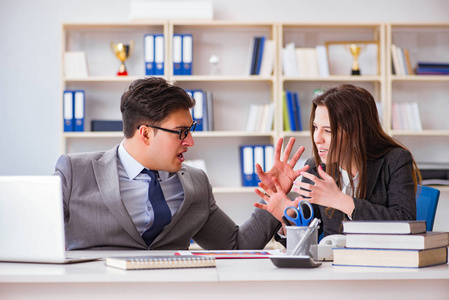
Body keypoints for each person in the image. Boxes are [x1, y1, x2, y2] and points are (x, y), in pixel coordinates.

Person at [54, 77, 281, 250]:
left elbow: (236, 247)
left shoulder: (197, 182)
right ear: (145, 134)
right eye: (181, 132)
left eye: (190, 131)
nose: (190, 141)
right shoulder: (74, 173)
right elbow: (35, 243)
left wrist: (273, 195)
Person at [254, 84, 421, 237]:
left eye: (328, 130)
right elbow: (308, 237)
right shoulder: (314, 169)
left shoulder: (395, 161)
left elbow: (405, 221)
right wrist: (289, 218)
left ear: (357, 133)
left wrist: (341, 201)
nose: (317, 138)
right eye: (315, 127)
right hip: (333, 266)